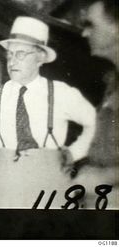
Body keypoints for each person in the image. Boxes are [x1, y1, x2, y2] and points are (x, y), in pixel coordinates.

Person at [0, 16, 96, 208]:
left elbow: (96, 123)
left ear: (40, 57)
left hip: (50, 184)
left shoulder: (61, 93)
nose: (12, 61)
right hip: (5, 187)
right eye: (10, 55)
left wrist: (74, 153)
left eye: (20, 54)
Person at [73, 0, 119, 209]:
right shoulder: (111, 82)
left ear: (116, 28)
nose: (84, 33)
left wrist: (106, 175)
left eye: (91, 24)